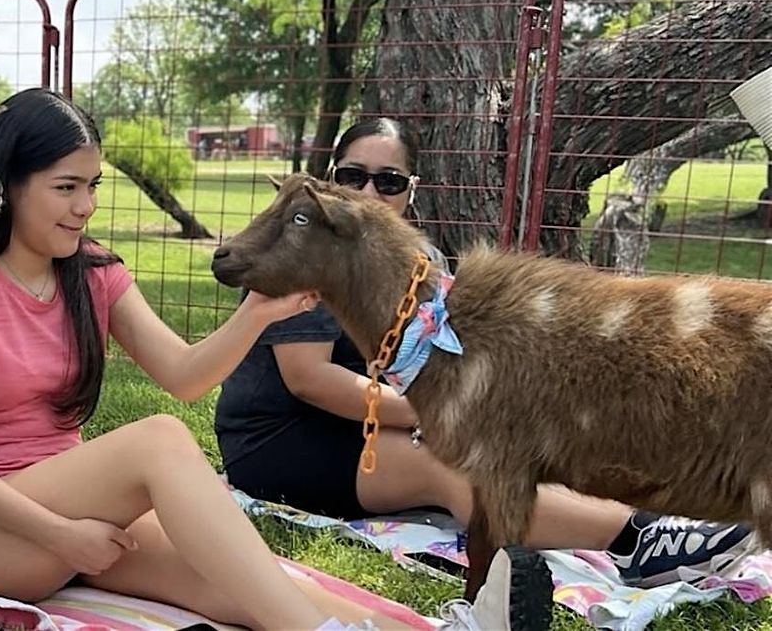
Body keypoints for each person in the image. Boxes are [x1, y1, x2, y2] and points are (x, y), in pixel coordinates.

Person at [0, 87, 464, 631]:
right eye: (66, 188)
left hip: (82, 506)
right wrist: (60, 535)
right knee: (160, 440)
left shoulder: (91, 271)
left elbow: (184, 376)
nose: (86, 206)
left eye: (92, 186)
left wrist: (258, 312)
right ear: (6, 183)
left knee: (248, 587)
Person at [214, 117, 758, 591]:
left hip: (371, 426)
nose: (370, 192)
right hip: (288, 436)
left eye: (389, 180)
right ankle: (640, 540)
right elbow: (310, 380)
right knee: (465, 467)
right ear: (331, 182)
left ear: (411, 189)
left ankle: (649, 522)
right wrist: (441, 414)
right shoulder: (308, 257)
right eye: (353, 177)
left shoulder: (417, 261)